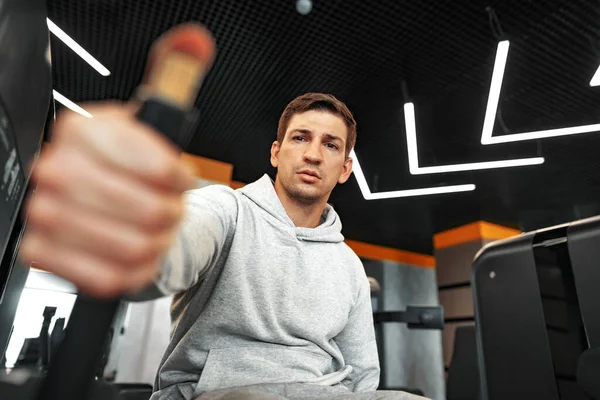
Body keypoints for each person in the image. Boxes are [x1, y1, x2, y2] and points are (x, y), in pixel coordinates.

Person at [20, 93, 425, 400]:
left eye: (331, 145)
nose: (314, 154)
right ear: (277, 151)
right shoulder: (224, 209)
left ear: (345, 169)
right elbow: (178, 245)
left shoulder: (349, 265)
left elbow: (361, 374)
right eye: (301, 138)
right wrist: (135, 239)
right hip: (217, 392)